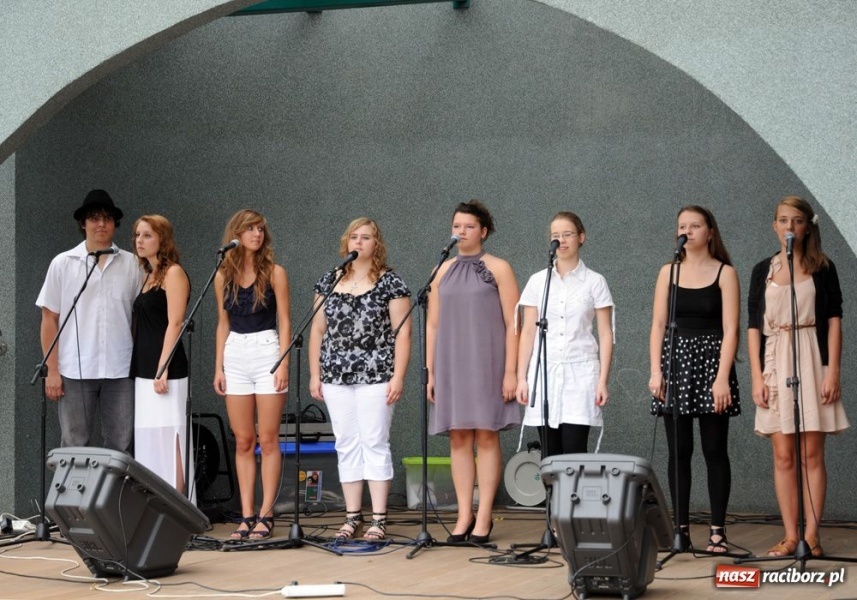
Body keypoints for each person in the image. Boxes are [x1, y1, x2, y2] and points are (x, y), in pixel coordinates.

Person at [748, 196, 849, 558]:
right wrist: (757, 376)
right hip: (776, 359)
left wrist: (832, 370)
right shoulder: (762, 270)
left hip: (812, 356)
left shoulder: (823, 267)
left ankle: (812, 535)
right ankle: (790, 536)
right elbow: (753, 327)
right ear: (774, 226)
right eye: (783, 220)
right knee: (783, 455)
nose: (789, 227)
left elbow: (834, 320)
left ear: (808, 226)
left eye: (797, 221)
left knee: (811, 453)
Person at [309, 217, 411, 540]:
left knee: (374, 441)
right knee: (346, 443)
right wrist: (316, 373)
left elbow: (403, 333)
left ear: (376, 244)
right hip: (336, 375)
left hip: (377, 374)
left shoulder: (390, 282)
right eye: (354, 237)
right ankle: (352, 516)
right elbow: (316, 329)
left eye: (366, 237)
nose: (358, 242)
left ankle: (379, 518)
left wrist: (398, 376)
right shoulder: (329, 281)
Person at [648, 205, 740, 553]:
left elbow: (731, 329)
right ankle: (680, 531)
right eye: (682, 226)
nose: (687, 231)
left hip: (712, 363)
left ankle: (717, 531)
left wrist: (722, 379)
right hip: (675, 364)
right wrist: (656, 371)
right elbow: (657, 324)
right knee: (678, 452)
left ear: (710, 232)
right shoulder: (667, 271)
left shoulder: (725, 273)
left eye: (695, 225)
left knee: (715, 450)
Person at [427, 200, 520, 544]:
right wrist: (431, 371)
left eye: (468, 226)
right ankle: (463, 514)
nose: (461, 232)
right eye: (457, 226)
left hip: (487, 361)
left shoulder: (499, 267)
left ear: (483, 231)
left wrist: (511, 371)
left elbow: (515, 323)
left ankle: (484, 516)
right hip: (451, 361)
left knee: (486, 435)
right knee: (458, 436)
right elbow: (433, 323)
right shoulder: (442, 269)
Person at [36, 189, 141, 453]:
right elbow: (50, 319)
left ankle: (112, 497)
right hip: (74, 370)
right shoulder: (63, 263)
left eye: (107, 218)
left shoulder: (132, 264)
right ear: (83, 223)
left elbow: (141, 316)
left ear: (115, 224)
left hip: (121, 369)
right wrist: (53, 371)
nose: (101, 224)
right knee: (73, 446)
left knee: (121, 446)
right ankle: (72, 497)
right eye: (94, 218)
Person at [213, 209, 290, 540]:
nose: (257, 234)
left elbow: (285, 320)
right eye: (249, 229)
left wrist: (283, 362)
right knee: (244, 439)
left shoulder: (275, 272)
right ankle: (246, 514)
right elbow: (223, 322)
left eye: (260, 229)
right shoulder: (222, 275)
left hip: (266, 349)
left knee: (268, 437)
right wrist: (218, 366)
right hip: (235, 351)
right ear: (236, 234)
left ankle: (266, 513)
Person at [516, 212, 614, 456]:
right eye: (555, 236)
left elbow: (605, 333)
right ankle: (552, 496)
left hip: (580, 375)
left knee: (574, 450)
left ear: (581, 237)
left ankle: (572, 496)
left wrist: (603, 380)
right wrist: (521, 378)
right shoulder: (538, 281)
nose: (561, 240)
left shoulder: (595, 281)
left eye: (567, 234)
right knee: (549, 454)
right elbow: (528, 331)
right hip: (544, 374)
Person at [129, 215, 194, 500]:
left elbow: (175, 322)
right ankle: (156, 503)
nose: (139, 241)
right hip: (144, 368)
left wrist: (163, 367)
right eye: (137, 235)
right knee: (149, 437)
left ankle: (178, 505)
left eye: (147, 235)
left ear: (162, 240)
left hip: (166, 368)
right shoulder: (148, 276)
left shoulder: (173, 273)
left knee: (172, 436)